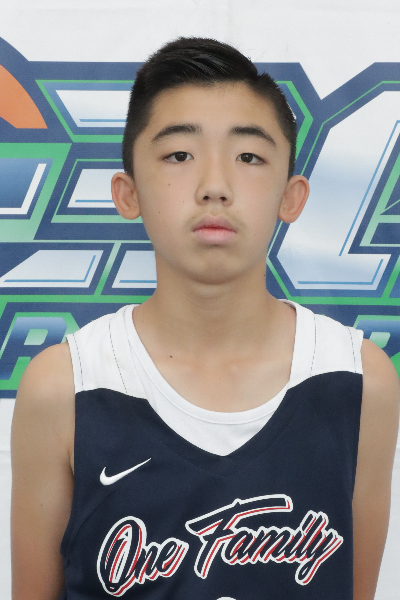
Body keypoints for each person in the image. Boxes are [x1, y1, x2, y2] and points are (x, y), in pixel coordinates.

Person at [11, 37, 399, 600]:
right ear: (127, 193)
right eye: (179, 155)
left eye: (249, 157)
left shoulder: (359, 379)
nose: (214, 186)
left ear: (291, 196)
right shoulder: (64, 386)